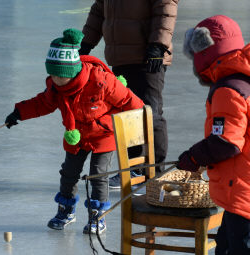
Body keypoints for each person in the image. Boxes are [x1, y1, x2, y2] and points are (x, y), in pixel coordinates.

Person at [5, 28, 144, 234]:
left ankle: (98, 217)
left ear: (73, 71)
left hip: (103, 134)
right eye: (52, 75)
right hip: (76, 134)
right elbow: (42, 103)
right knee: (68, 173)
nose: (57, 80)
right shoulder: (55, 87)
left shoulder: (100, 80)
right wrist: (19, 113)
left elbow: (128, 100)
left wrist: (139, 124)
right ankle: (66, 210)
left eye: (61, 77)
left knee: (99, 175)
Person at [78, 0, 179, 188]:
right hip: (121, 58)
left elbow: (166, 9)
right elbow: (99, 11)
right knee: (127, 115)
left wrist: (158, 45)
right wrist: (85, 42)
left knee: (150, 113)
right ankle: (134, 169)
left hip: (149, 57)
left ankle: (154, 173)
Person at [177, 15, 250, 254]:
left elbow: (226, 142)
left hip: (243, 192)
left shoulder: (229, 90)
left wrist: (194, 157)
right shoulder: (243, 81)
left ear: (204, 52)